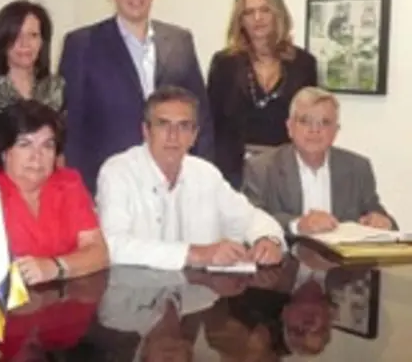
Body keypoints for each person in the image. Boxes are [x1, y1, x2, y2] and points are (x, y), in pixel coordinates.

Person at [59, 0, 213, 195]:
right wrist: (82, 194)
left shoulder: (180, 41)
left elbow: (200, 114)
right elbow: (73, 128)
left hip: (174, 180)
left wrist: (202, 178)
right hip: (110, 182)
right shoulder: (82, 44)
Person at [96, 86, 285, 271]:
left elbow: (250, 218)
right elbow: (112, 245)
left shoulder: (205, 173)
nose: (173, 136)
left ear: (194, 136)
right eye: (163, 124)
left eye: (183, 126)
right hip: (133, 296)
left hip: (195, 297)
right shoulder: (118, 172)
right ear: (146, 131)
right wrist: (195, 254)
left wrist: (268, 239)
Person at [0, 100, 108, 285]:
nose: (37, 156)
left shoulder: (68, 183)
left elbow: (99, 253)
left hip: (64, 300)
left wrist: (55, 267)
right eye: (25, 144)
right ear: (4, 152)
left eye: (47, 146)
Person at [207, 0, 317, 188]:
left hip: (286, 171)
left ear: (277, 14)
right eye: (249, 12)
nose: (258, 18)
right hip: (233, 173)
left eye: (265, 10)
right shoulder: (224, 64)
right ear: (240, 20)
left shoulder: (303, 64)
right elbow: (211, 124)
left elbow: (311, 122)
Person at [243, 87, 396, 235]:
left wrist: (382, 221)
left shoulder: (357, 168)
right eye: (305, 121)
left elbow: (378, 214)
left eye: (324, 122)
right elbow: (252, 219)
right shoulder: (261, 168)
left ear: (336, 130)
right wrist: (298, 224)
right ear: (290, 127)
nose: (314, 130)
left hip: (342, 259)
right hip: (288, 257)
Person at [0, 0, 64, 168]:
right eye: (16, 36)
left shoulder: (57, 88)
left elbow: (61, 154)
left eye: (33, 35)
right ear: (2, 41)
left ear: (43, 41)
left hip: (47, 187)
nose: (25, 44)